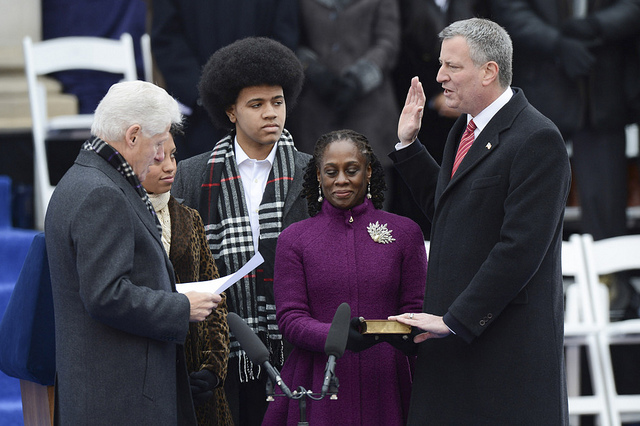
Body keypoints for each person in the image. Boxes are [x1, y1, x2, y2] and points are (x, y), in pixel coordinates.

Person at [387, 18, 571, 424]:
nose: (440, 77)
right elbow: (453, 213)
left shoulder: (538, 138)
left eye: (452, 67)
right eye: (441, 65)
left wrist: (454, 320)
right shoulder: (464, 129)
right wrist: (409, 145)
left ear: (489, 71)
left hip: (502, 349)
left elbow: (520, 249)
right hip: (456, 341)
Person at [44, 80, 221, 425]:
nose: (161, 157)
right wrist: (182, 307)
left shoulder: (84, 177)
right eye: (158, 145)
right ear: (133, 135)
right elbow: (105, 294)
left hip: (107, 394)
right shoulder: (102, 193)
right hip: (119, 401)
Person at [171, 37, 311, 426]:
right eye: (257, 104)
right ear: (230, 111)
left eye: (278, 102)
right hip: (219, 355)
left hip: (295, 350)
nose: (271, 113)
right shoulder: (191, 175)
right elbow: (181, 261)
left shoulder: (313, 171)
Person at [261, 129, 427, 426]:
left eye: (352, 170)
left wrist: (407, 336)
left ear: (369, 171)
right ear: (318, 175)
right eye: (330, 171)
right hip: (317, 378)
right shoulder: (294, 239)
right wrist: (336, 337)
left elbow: (417, 308)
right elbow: (290, 319)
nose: (341, 180)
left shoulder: (405, 232)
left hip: (388, 377)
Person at [491, 0, 640, 242]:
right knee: (533, 201)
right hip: (542, 90)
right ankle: (531, 278)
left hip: (602, 91)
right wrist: (556, 44)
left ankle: (611, 276)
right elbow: (511, 11)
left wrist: (596, 25)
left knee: (607, 206)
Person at [141, 131, 232, 426]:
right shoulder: (122, 216)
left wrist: (213, 369)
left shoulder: (189, 217)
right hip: (149, 376)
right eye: (158, 159)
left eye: (173, 155)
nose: (170, 167)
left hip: (197, 378)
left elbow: (215, 298)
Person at [287, 0, 402, 209]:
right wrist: (312, 69)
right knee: (315, 205)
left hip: (369, 112)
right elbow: (290, 37)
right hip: (316, 110)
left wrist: (359, 80)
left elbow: (388, 42)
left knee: (372, 205)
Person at [150, 0, 299, 160]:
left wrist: (256, 91)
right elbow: (166, 37)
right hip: (199, 117)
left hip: (261, 109)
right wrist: (200, 93)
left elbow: (284, 34)